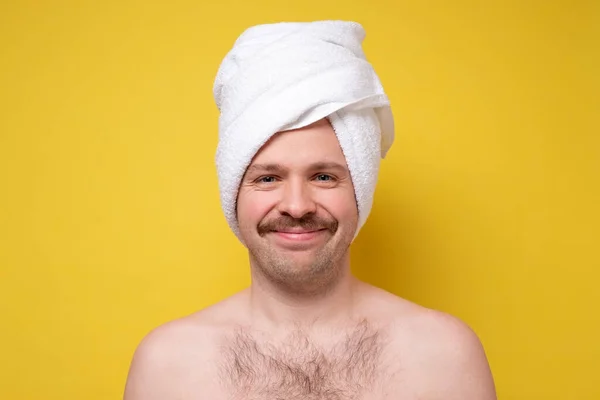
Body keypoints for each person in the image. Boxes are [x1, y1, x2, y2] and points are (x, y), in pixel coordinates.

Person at [124, 20, 496, 400]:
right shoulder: (168, 366)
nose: (297, 206)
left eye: (323, 176)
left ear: (360, 189)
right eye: (268, 178)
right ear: (234, 193)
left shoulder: (444, 356)